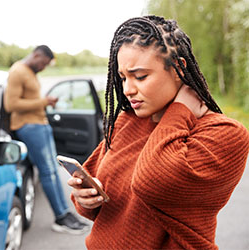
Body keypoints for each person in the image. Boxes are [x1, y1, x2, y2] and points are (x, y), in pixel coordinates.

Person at [67, 15, 249, 249]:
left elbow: (152, 182)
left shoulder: (225, 134)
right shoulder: (127, 121)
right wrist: (86, 201)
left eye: (140, 76)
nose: (128, 89)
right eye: (123, 78)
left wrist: (180, 111)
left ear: (178, 68)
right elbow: (99, 199)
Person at [3, 45, 89, 234]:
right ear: (36, 55)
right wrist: (44, 102)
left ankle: (66, 213)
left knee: (53, 171)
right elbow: (11, 104)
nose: (43, 67)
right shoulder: (18, 71)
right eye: (42, 63)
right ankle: (60, 218)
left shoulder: (30, 72)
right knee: (47, 172)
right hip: (29, 127)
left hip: (40, 125)